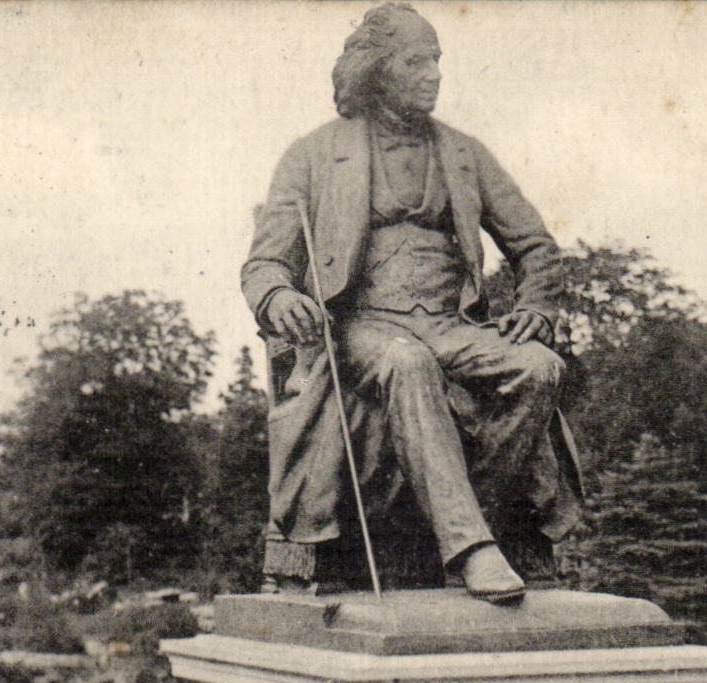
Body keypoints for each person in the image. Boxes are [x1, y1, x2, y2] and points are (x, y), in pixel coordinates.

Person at [242, 2, 581, 603]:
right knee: (407, 362)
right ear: (377, 69)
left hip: (451, 324)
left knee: (540, 368)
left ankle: (465, 516)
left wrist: (538, 305)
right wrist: (278, 296)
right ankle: (470, 549)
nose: (433, 75)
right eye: (416, 61)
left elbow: (536, 246)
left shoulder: (464, 153)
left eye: (437, 62)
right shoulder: (314, 155)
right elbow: (266, 262)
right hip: (361, 328)